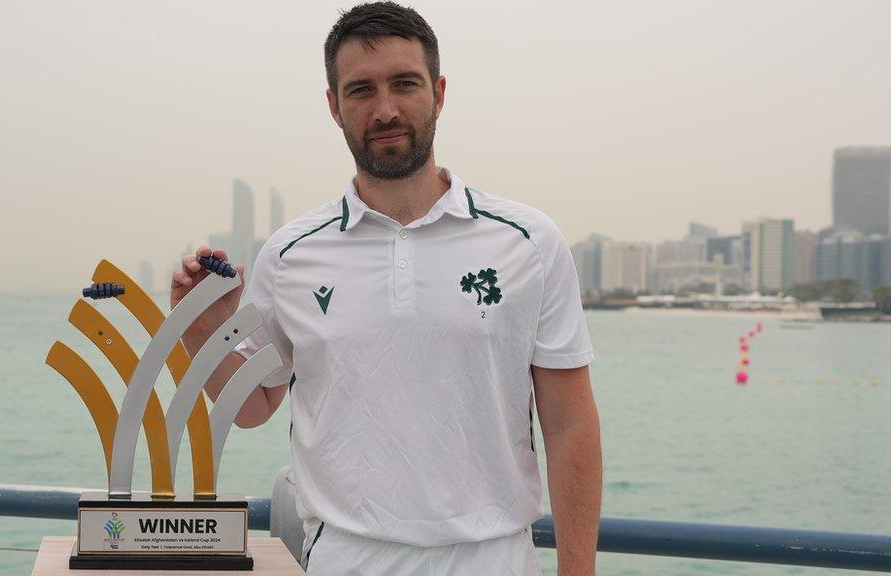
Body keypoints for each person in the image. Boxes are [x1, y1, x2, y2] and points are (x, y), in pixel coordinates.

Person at [170, 2, 601, 574]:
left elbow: (569, 423)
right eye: (361, 90)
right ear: (334, 106)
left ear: (439, 94)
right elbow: (252, 406)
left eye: (405, 84)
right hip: (344, 556)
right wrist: (201, 330)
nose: (386, 109)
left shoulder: (529, 241)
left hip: (494, 556)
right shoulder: (290, 254)